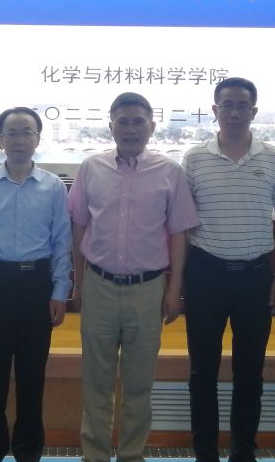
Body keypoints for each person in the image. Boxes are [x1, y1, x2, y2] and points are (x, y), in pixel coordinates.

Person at [68, 92, 200, 462]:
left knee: (139, 384)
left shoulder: (169, 171)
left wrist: (174, 289)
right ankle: (94, 456)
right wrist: (79, 281)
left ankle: (131, 455)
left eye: (138, 121)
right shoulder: (91, 167)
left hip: (148, 290)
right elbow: (79, 227)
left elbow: (179, 234)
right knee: (96, 382)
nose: (130, 129)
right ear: (111, 126)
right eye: (123, 122)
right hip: (99, 285)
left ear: (152, 126)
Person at [181, 77, 275, 462]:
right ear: (214, 110)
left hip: (255, 277)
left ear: (253, 111)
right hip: (205, 274)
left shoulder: (274, 158)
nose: (234, 112)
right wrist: (179, 279)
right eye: (226, 105)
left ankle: (243, 452)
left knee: (250, 373)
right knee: (202, 372)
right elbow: (182, 223)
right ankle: (205, 453)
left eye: (242, 105)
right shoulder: (194, 158)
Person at [0, 106, 72, 462]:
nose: (20, 140)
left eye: (27, 132)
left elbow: (62, 244)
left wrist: (60, 291)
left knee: (32, 376)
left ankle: (28, 451)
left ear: (38, 138)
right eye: (12, 133)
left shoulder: (53, 186)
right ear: (1, 140)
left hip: (37, 285)